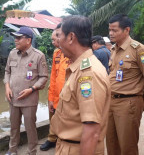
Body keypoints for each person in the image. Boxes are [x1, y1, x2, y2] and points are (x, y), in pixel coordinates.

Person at [50, 15, 111, 155]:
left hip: (77, 149)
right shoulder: (78, 68)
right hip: (68, 146)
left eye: (60, 36)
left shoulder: (87, 74)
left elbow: (91, 132)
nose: (58, 42)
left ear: (71, 37)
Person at [4, 26, 48, 155]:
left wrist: (32, 89)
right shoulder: (12, 53)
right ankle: (12, 150)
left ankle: (31, 151)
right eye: (15, 37)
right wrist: (7, 86)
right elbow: (7, 72)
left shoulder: (38, 56)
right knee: (14, 127)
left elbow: (44, 77)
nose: (15, 40)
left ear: (28, 40)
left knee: (30, 128)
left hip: (29, 99)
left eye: (18, 38)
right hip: (12, 98)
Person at [106, 14, 144, 155]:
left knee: (127, 146)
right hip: (110, 102)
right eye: (109, 30)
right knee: (111, 144)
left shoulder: (138, 49)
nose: (110, 33)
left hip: (129, 103)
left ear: (126, 30)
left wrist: (139, 102)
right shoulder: (113, 49)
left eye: (114, 30)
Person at [40, 23, 70, 151]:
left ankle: (63, 142)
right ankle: (52, 139)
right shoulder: (56, 53)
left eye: (56, 37)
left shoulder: (73, 53)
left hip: (68, 96)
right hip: (55, 94)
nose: (53, 41)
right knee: (53, 119)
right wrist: (50, 98)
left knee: (67, 122)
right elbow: (53, 76)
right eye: (53, 38)